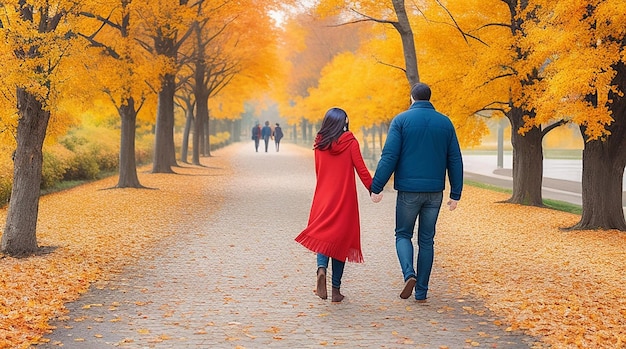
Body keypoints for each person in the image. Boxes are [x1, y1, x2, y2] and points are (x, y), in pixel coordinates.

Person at [370, 82, 463, 302]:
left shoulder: (401, 121)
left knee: (403, 234)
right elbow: (455, 159)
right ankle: (421, 291)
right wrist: (455, 193)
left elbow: (390, 156)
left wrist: (377, 186)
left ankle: (408, 273)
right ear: (429, 99)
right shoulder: (446, 123)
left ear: (412, 98)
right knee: (427, 240)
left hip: (409, 191)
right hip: (434, 192)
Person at [295, 107, 380, 302]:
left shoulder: (319, 142)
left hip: (323, 195)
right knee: (341, 241)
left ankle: (321, 269)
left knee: (324, 235)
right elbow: (362, 170)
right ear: (345, 122)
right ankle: (335, 290)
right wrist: (373, 189)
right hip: (345, 198)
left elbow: (319, 170)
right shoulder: (350, 142)